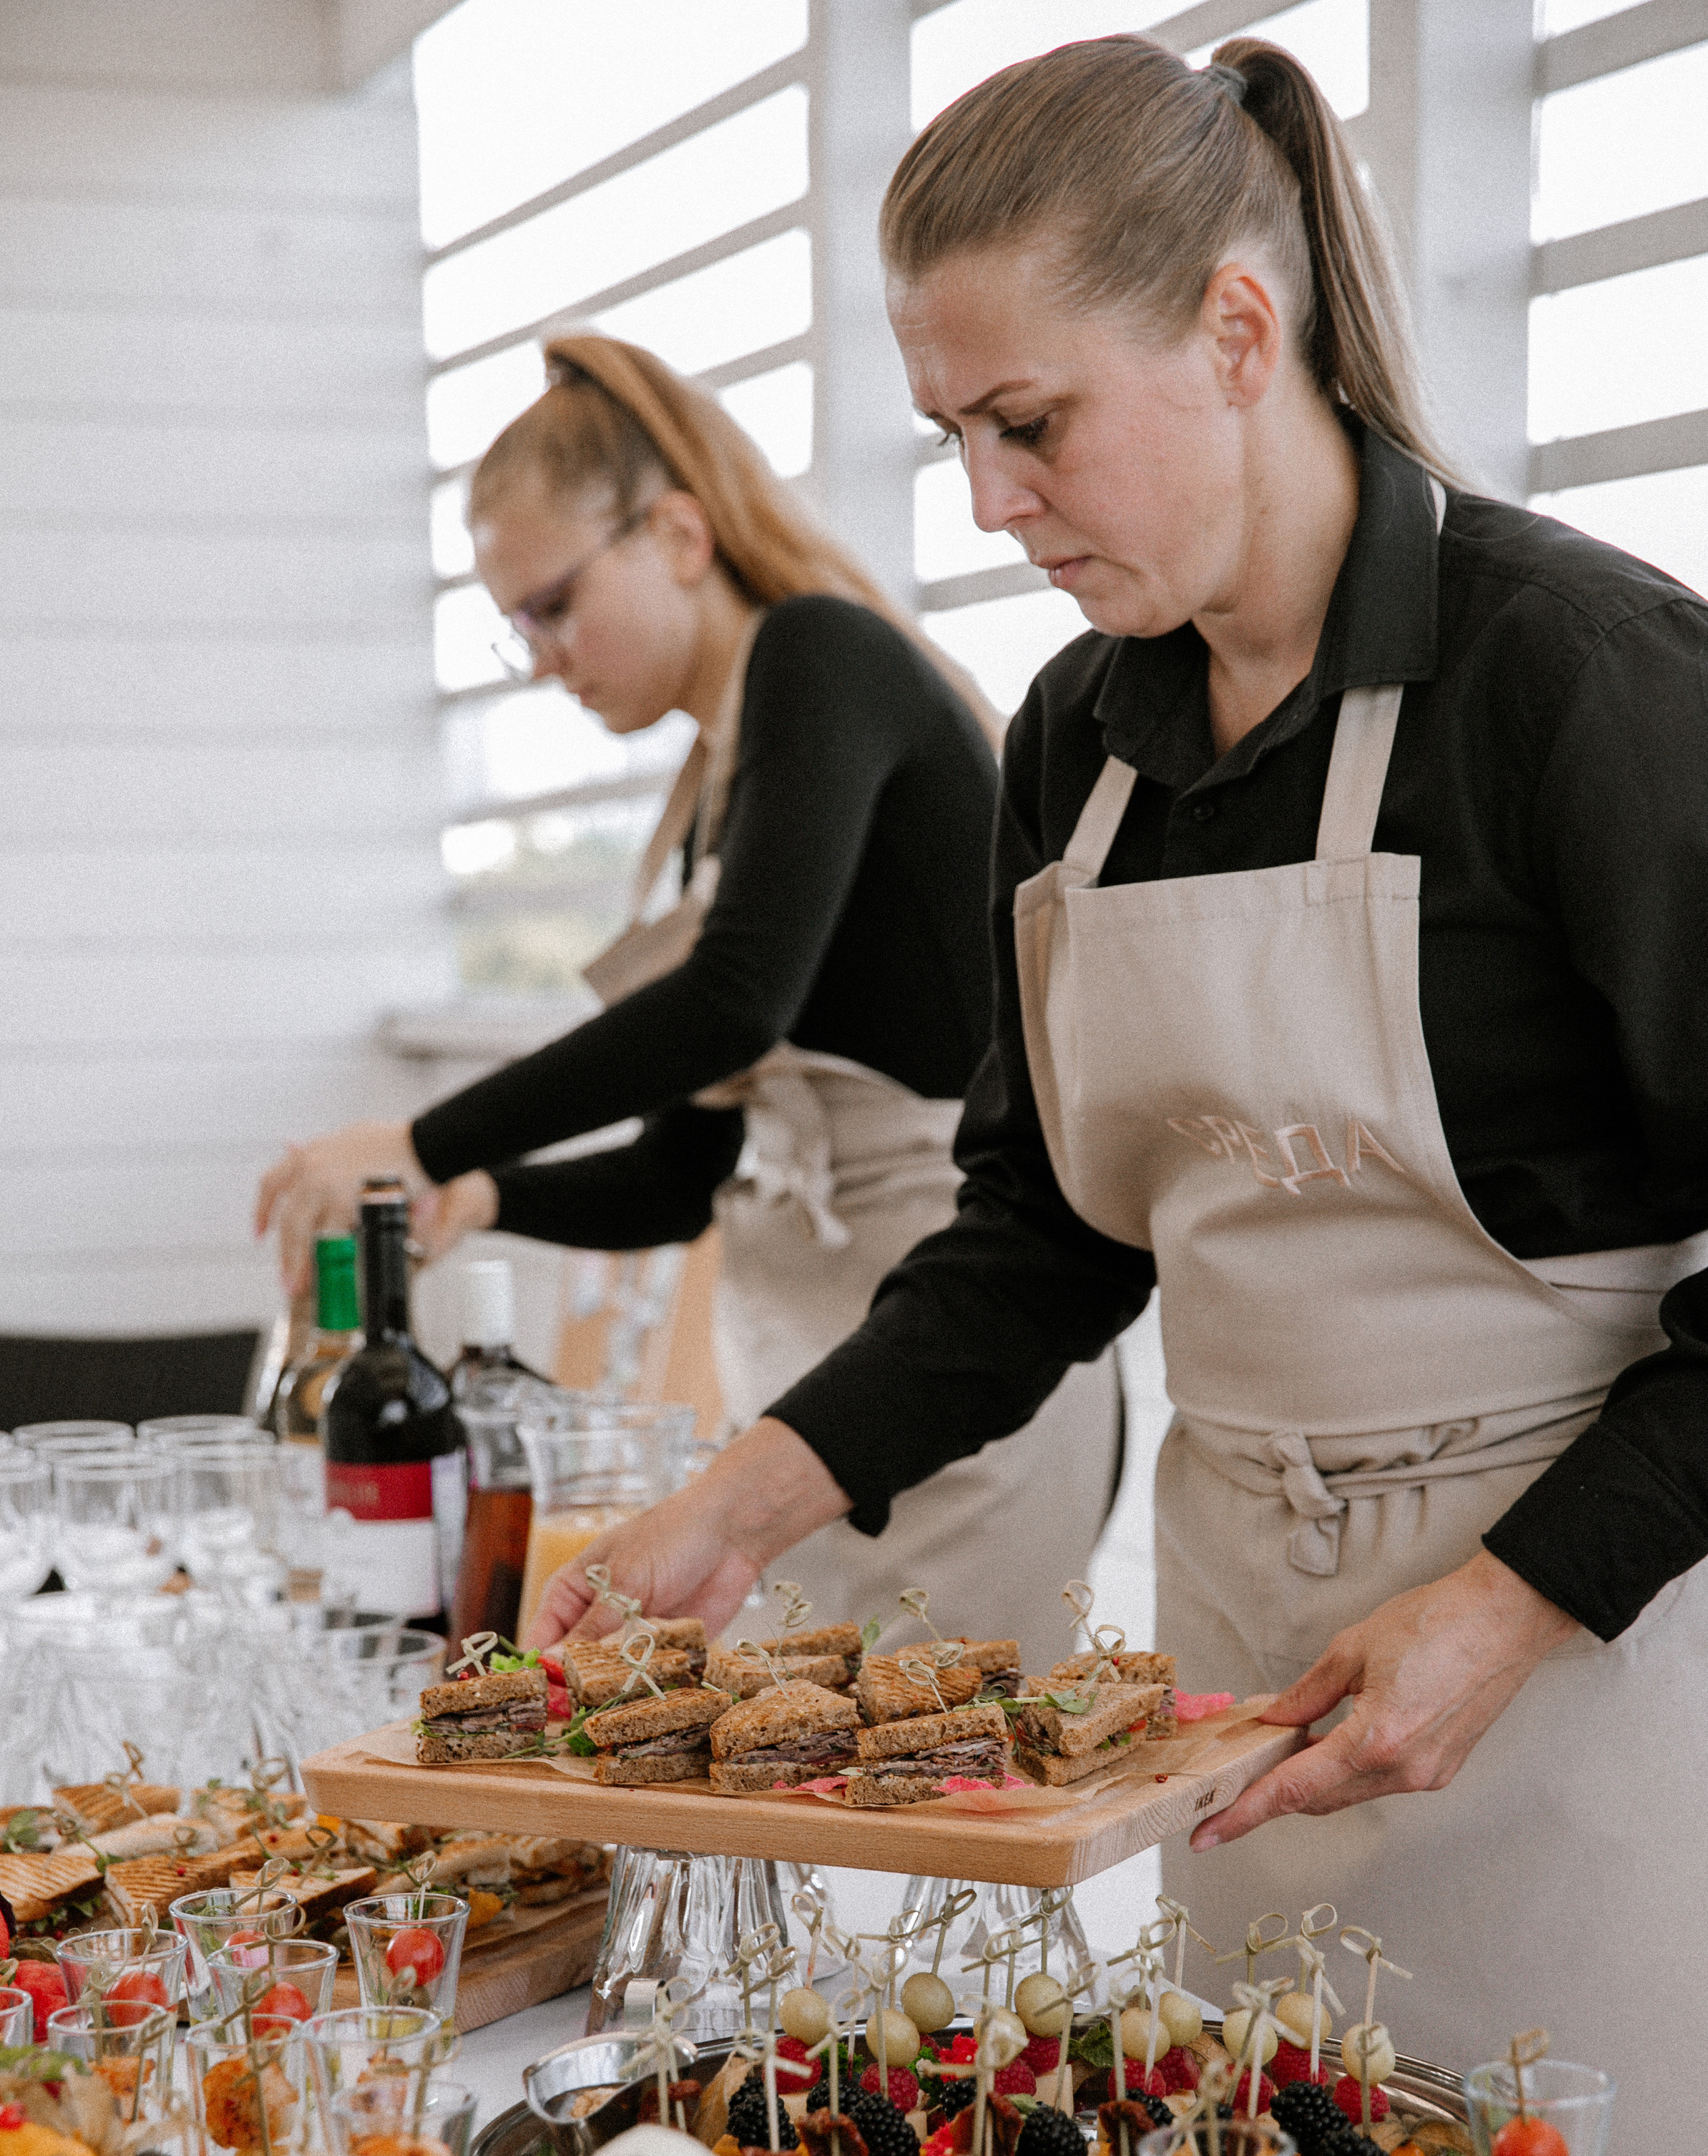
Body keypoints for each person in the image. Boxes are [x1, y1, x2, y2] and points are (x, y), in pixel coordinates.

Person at [525, 40, 1708, 2156]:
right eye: (954, 437)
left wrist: (1510, 1604)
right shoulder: (1079, 741)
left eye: (1030, 424)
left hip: (1595, 1682)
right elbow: (1037, 1249)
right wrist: (744, 1499)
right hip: (1249, 1692)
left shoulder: (1582, 681)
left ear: (1239, 334)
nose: (986, 504)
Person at [254, 334, 1122, 1660]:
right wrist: (484, 1198)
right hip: (816, 1376)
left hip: (956, 1351)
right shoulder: (715, 788)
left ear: (673, 532)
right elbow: (684, 1172)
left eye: (551, 604)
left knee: (936, 1821)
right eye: (515, 626)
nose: (542, 656)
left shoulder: (820, 658)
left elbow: (730, 1003)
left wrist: (424, 1137)